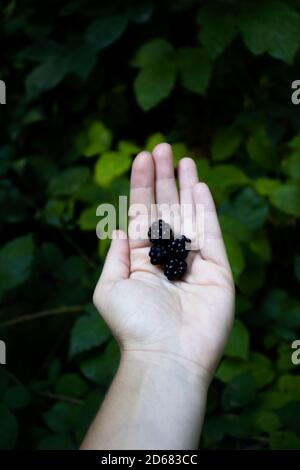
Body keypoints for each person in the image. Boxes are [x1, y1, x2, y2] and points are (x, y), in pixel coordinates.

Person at [81, 143, 235, 450]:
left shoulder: (171, 251)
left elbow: (169, 253)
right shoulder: (167, 251)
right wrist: (156, 354)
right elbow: (165, 253)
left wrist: (156, 359)